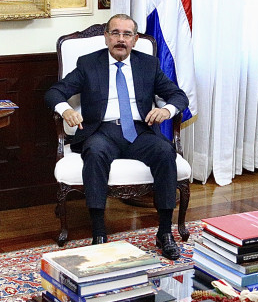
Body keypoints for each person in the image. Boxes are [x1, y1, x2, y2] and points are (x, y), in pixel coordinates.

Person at [45, 14, 190, 260]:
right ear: (106, 37)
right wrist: (66, 109)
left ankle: (165, 232)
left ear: (135, 39)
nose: (120, 39)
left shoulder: (149, 64)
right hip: (102, 131)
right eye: (115, 33)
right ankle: (99, 234)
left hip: (140, 131)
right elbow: (54, 92)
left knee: (166, 153)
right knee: (94, 152)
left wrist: (166, 110)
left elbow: (178, 95)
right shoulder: (89, 63)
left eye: (127, 34)